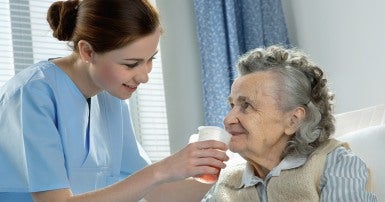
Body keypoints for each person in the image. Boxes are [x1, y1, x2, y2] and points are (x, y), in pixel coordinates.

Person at [0, 0, 229, 201]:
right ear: (87, 52)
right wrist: (164, 169)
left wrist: (233, 172)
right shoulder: (31, 94)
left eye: (150, 59)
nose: (144, 76)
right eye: (131, 64)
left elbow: (156, 193)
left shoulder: (111, 97)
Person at [204, 45, 377, 201]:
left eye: (246, 105)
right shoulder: (227, 182)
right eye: (232, 105)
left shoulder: (335, 165)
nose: (227, 120)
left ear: (293, 120)